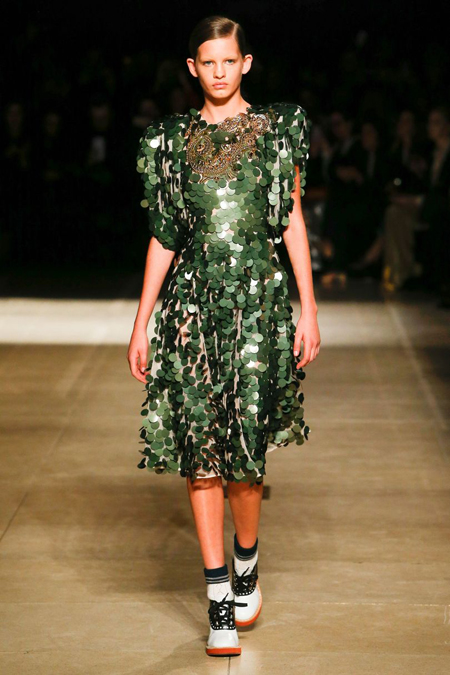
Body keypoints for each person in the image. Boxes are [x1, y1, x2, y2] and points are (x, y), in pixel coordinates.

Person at [127, 15, 321, 657]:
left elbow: (290, 219)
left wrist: (309, 308)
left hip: (257, 310)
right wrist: (142, 321)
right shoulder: (169, 142)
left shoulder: (278, 131)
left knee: (245, 456)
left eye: (228, 61)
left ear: (246, 63)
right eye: (207, 62)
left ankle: (246, 561)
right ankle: (218, 600)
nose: (218, 71)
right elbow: (164, 236)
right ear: (193, 67)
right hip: (191, 310)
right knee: (200, 452)